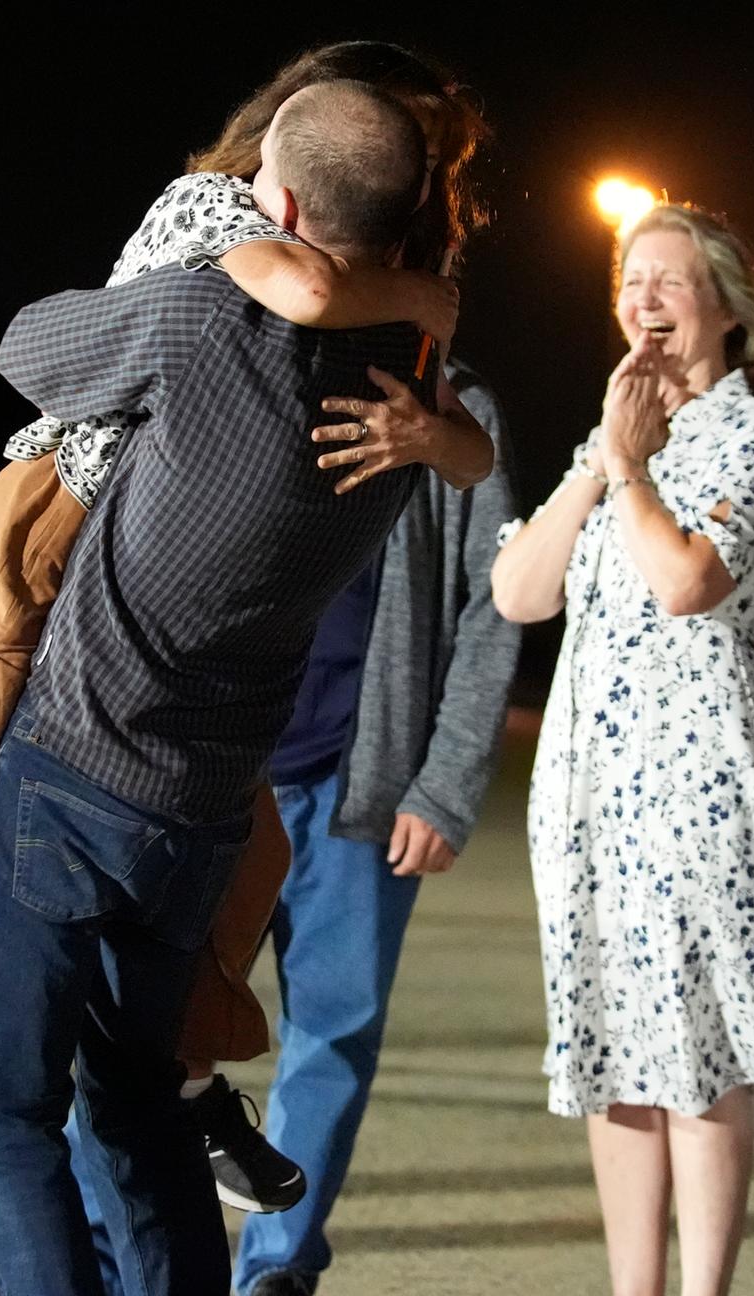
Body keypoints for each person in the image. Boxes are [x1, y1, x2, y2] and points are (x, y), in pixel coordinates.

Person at [0, 40, 485, 1072]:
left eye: (423, 151)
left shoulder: (387, 294)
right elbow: (301, 289)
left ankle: (177, 1082)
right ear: (302, 132)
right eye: (397, 134)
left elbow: (469, 452)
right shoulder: (221, 208)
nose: (408, 165)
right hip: (52, 525)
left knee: (250, 853)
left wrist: (428, 426)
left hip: (154, 576)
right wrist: (415, 298)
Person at [0, 78, 490, 1296]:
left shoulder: (202, 316)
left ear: (280, 206)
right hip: (207, 806)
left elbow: (26, 350)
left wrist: (214, 255)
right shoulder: (409, 393)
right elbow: (465, 444)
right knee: (138, 1102)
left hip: (76, 764)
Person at [491, 202, 754, 1296]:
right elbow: (519, 593)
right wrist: (602, 462)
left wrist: (633, 472)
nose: (643, 300)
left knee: (698, 1046)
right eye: (630, 281)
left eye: (670, 281)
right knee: (609, 1042)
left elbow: (689, 583)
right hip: (584, 784)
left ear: (727, 309)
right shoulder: (608, 443)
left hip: (695, 774)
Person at [230, 358, 519, 1296]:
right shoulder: (248, 360)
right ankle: (121, 1258)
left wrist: (444, 785)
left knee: (332, 1035)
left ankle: (276, 1267)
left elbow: (496, 601)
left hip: (359, 787)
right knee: (140, 1031)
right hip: (215, 778)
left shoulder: (456, 401)